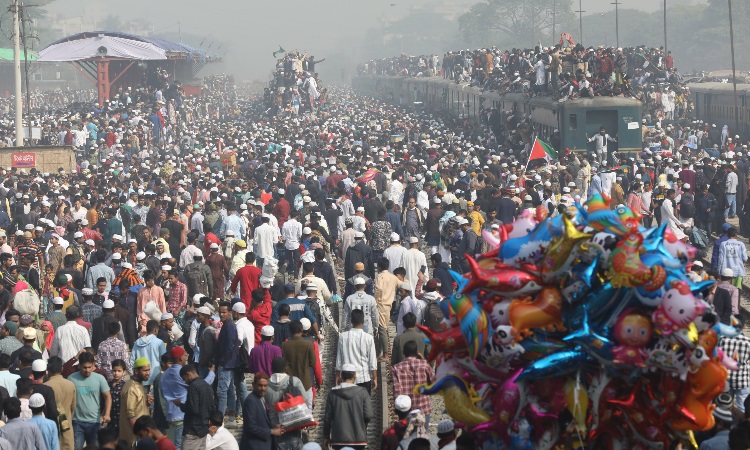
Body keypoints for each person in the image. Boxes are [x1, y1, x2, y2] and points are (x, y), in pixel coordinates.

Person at [322, 363, 372, 450]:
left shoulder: (332, 394)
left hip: (338, 439)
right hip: (358, 439)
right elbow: (368, 415)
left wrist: (326, 436)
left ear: (341, 377)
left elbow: (327, 418)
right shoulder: (363, 392)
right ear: (354, 377)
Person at [68, 352, 111, 450]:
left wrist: (107, 414)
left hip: (95, 423)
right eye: (84, 367)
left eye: (89, 367)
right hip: (77, 422)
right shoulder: (71, 379)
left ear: (93, 366)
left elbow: (107, 396)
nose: (87, 370)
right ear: (79, 366)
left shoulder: (100, 378)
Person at [266, 357, 308, 450]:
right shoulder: (294, 381)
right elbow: (305, 400)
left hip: (276, 426)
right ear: (285, 368)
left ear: (272, 368)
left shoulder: (266, 385)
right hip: (294, 423)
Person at [216, 301, 247, 426]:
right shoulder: (227, 325)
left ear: (230, 312)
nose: (221, 314)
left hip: (227, 364)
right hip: (230, 363)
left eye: (224, 312)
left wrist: (222, 362)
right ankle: (232, 417)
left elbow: (230, 347)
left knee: (222, 392)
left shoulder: (229, 326)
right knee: (229, 391)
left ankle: (219, 419)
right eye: (220, 312)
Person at [393, 340, 434, 427]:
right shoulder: (424, 364)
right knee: (423, 436)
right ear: (416, 352)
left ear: (404, 352)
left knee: (407, 437)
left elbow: (397, 392)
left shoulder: (397, 368)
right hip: (423, 408)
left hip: (406, 411)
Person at [337, 309, 378, 395]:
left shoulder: (343, 337)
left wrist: (338, 376)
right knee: (363, 406)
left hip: (347, 379)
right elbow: (372, 361)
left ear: (351, 321)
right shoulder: (369, 338)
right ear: (363, 322)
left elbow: (339, 360)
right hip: (364, 378)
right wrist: (375, 378)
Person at [176, 364, 215, 450]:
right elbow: (212, 407)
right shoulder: (207, 385)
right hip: (203, 430)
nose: (185, 382)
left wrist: (180, 404)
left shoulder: (193, 386)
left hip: (193, 432)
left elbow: (193, 409)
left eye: (184, 379)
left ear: (188, 374)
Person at [240, 372, 283, 450]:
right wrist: (272, 431)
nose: (263, 388)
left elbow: (262, 422)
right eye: (260, 385)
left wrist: (273, 426)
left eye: (265, 386)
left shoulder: (261, 399)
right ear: (253, 385)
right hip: (254, 446)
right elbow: (251, 427)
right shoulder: (251, 401)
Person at [281, 320, 317, 407]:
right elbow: (313, 362)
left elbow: (283, 363)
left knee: (293, 409)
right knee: (308, 409)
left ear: (290, 331)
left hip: (291, 384)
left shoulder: (284, 345)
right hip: (306, 382)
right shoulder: (308, 344)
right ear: (301, 330)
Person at [160, 346, 189, 450]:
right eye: (185, 355)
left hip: (169, 414)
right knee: (178, 445)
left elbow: (163, 394)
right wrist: (212, 373)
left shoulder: (165, 374)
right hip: (181, 414)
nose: (186, 357)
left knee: (171, 445)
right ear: (180, 358)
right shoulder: (184, 373)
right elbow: (197, 385)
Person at [45, 357, 76, 450]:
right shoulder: (70, 384)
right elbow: (73, 407)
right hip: (66, 424)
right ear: (61, 369)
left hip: (51, 425)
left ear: (48, 370)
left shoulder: (46, 386)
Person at [119, 357, 151, 446]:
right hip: (133, 436)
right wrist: (139, 434)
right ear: (136, 371)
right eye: (145, 370)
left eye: (149, 370)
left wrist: (146, 403)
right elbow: (131, 415)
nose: (148, 373)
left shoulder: (138, 384)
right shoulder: (131, 388)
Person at [130, 320, 166, 388]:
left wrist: (134, 374)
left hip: (142, 375)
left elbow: (132, 360)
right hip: (156, 375)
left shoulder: (137, 342)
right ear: (156, 330)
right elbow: (164, 359)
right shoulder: (159, 342)